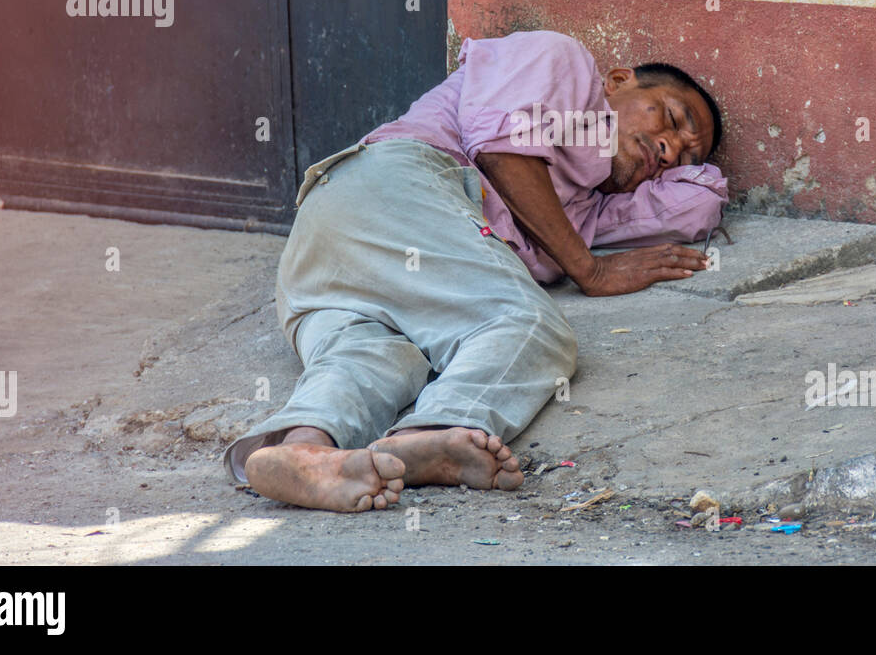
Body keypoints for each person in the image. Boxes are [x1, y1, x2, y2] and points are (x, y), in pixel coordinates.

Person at [225, 29, 727, 512]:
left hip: (333, 257)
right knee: (526, 323)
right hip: (396, 182)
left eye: (684, 153)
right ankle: (427, 438)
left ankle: (305, 450)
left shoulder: (583, 213)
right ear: (619, 82)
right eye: (668, 117)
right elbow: (500, 148)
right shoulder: (562, 62)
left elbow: (698, 205)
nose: (669, 147)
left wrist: (674, 164)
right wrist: (590, 272)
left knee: (374, 359)